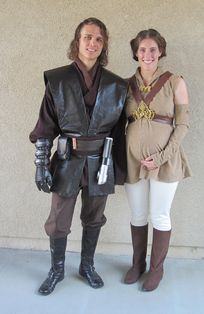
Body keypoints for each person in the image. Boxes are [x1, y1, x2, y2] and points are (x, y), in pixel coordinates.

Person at [29, 17, 128, 295]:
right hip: (67, 161)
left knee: (94, 217)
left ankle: (86, 265)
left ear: (104, 44)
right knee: (59, 219)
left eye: (98, 38)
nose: (92, 43)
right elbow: (45, 126)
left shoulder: (116, 86)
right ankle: (57, 269)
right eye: (87, 37)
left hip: (101, 162)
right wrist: (40, 165)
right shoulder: (58, 80)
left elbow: (120, 132)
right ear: (77, 41)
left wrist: (120, 169)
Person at [124, 29, 192, 292]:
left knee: (160, 216)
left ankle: (157, 269)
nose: (147, 54)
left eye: (152, 49)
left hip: (166, 161)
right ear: (135, 53)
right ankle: (137, 264)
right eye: (142, 49)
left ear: (160, 51)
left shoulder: (176, 81)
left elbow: (183, 124)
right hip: (132, 160)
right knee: (138, 215)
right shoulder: (127, 85)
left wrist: (162, 156)